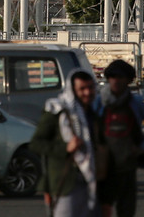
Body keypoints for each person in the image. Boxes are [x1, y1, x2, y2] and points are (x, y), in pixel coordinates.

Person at [31, 70, 103, 217]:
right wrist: (66, 148)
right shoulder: (57, 111)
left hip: (92, 181)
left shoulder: (94, 114)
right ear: (73, 90)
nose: (87, 92)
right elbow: (36, 143)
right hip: (65, 183)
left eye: (90, 87)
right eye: (82, 89)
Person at [96, 60, 144, 217]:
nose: (116, 81)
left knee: (127, 209)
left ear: (128, 80)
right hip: (103, 165)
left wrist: (143, 147)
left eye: (120, 77)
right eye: (112, 77)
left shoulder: (136, 102)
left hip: (127, 164)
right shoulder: (99, 101)